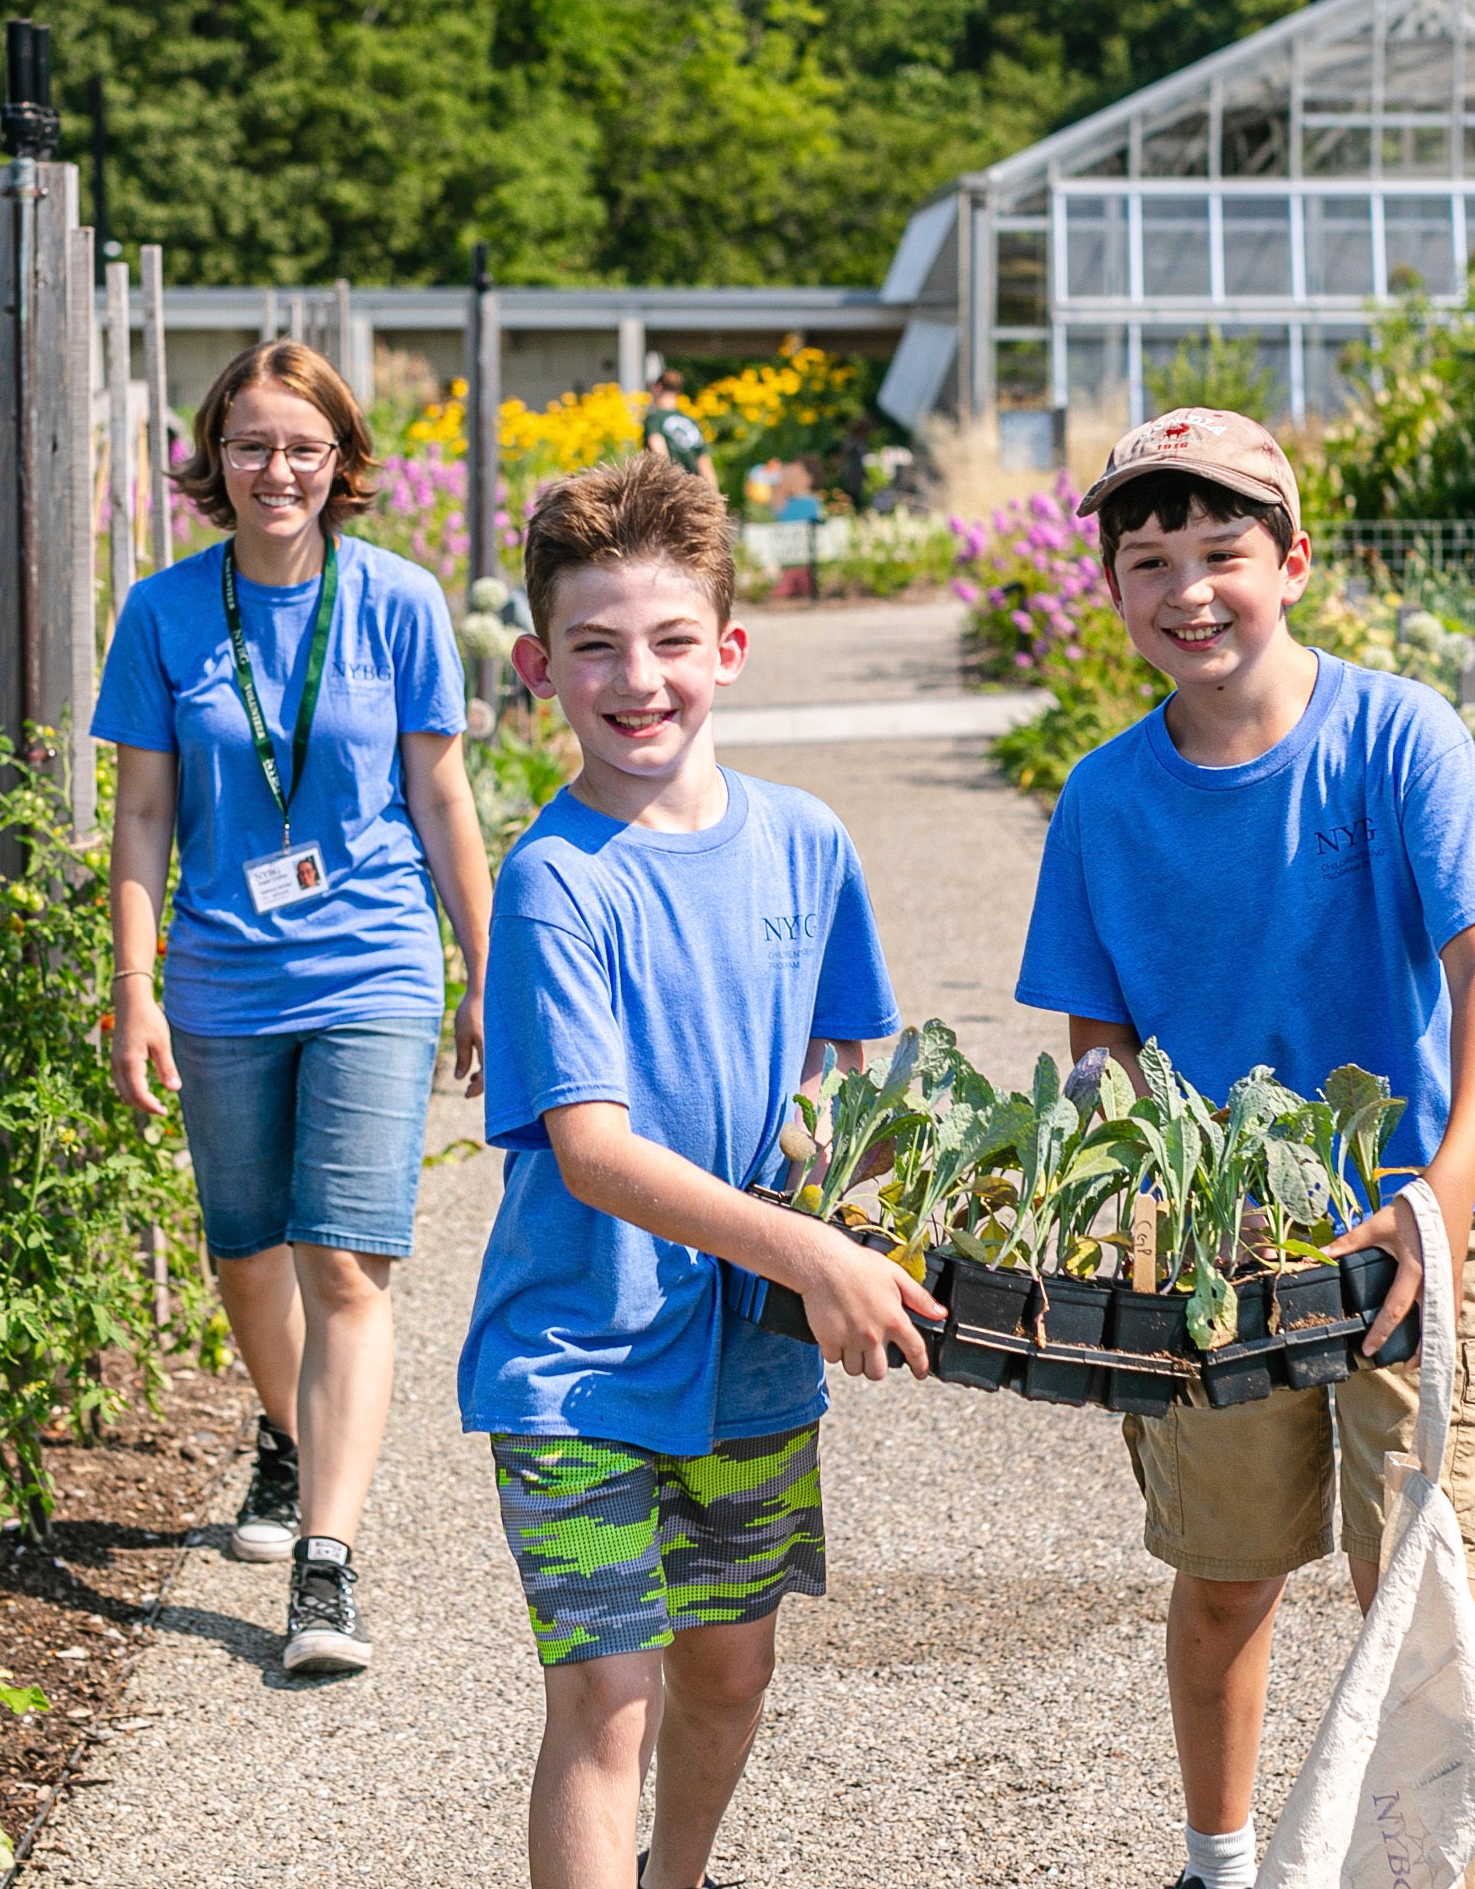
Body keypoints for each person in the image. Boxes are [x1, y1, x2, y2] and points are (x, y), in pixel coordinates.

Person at [1010, 409, 1475, 1889]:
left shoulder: (1397, 736)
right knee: (1225, 1576)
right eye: (1150, 558)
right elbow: (1099, 1048)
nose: (1191, 590)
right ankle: (1219, 1860)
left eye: (1223, 551)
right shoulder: (1108, 796)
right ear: (1109, 591)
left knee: (1408, 1589)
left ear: (1292, 563)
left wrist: (1435, 1199)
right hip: (1219, 1252)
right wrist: (1125, 1217)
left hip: (1402, 1240)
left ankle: (1421, 1873)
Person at [460, 454, 943, 1889]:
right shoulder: (558, 882)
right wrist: (811, 1253)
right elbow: (596, 1154)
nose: (638, 679)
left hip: (746, 1363)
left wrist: (861, 1194)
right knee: (609, 1702)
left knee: (729, 1674)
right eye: (596, 648)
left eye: (671, 642)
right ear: (541, 666)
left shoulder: (806, 843)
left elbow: (847, 1068)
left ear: (728, 652)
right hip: (579, 1359)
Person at [100, 338, 497, 1678]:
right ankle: (288, 1430)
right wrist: (134, 989)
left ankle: (326, 1569)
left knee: (345, 1261)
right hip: (218, 973)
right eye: (253, 444)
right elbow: (146, 811)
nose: (278, 469)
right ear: (214, 459)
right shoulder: (164, 614)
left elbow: (442, 799)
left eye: (303, 447)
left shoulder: (399, 603)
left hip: (373, 959)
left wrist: (485, 969)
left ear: (343, 465)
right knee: (244, 1250)